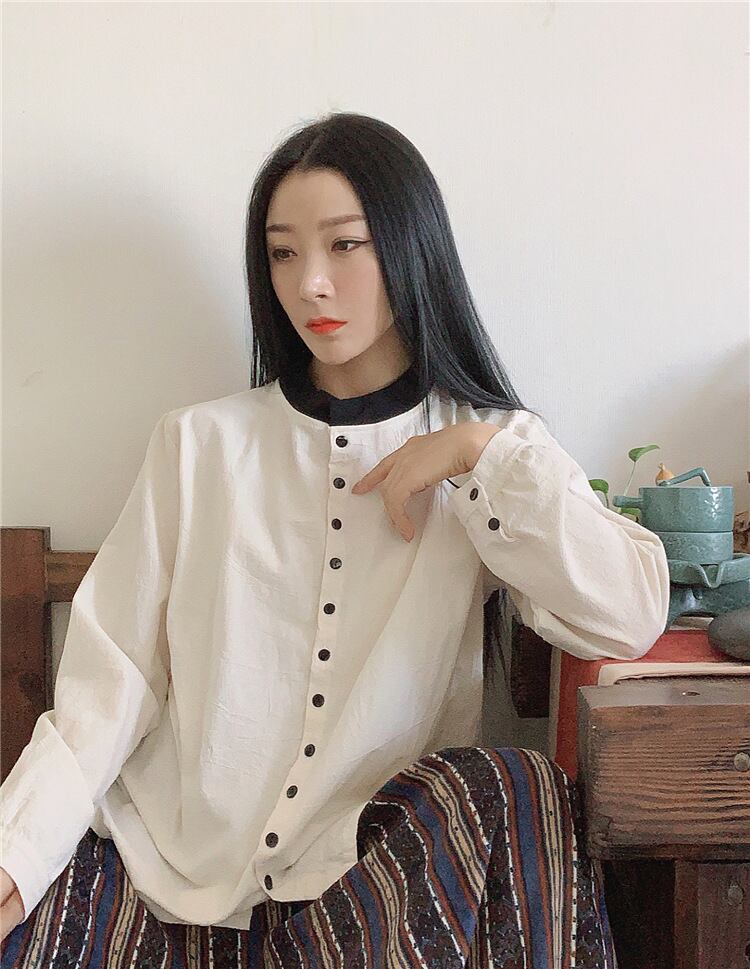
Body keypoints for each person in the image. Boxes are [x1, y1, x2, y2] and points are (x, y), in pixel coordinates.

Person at [0, 111, 670, 967]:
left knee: (519, 785)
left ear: (410, 247)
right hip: (165, 880)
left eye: (345, 245)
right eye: (283, 253)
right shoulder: (198, 446)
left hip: (374, 895)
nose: (311, 283)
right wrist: (16, 856)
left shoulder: (490, 454)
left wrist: (478, 453)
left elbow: (628, 614)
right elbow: (109, 686)